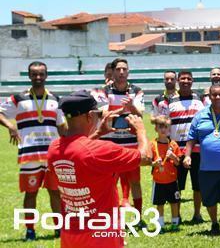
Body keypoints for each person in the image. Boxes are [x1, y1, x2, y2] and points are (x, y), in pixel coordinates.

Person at [47, 90, 152, 248]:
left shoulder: (54, 148)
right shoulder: (101, 150)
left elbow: (77, 151)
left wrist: (97, 133)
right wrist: (141, 130)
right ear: (89, 116)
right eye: (97, 114)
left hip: (70, 233)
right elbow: (145, 157)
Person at [0, 61, 66, 241]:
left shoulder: (55, 99)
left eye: (41, 74)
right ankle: (30, 231)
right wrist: (10, 126)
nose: (38, 77)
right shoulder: (18, 99)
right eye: (34, 74)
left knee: (56, 192)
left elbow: (61, 127)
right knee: (31, 193)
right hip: (29, 154)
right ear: (29, 76)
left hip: (52, 154)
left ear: (46, 75)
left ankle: (59, 229)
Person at [184, 84, 220, 236]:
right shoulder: (200, 116)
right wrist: (187, 155)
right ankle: (215, 223)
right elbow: (191, 138)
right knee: (209, 199)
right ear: (209, 97)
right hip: (207, 168)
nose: (218, 97)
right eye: (214, 95)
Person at [92, 58, 145, 217]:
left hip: (130, 142)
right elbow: (103, 113)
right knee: (109, 182)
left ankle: (139, 216)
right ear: (113, 71)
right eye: (118, 69)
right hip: (109, 143)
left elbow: (140, 114)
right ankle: (109, 217)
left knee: (135, 181)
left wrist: (132, 107)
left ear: (128, 71)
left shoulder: (137, 90)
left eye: (124, 69)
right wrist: (124, 109)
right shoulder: (101, 91)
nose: (121, 72)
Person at [161, 70, 206, 223]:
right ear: (178, 81)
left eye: (188, 78)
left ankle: (197, 214)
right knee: (177, 184)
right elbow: (166, 125)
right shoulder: (170, 100)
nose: (185, 81)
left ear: (192, 80)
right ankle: (177, 214)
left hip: (197, 149)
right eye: (183, 78)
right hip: (177, 150)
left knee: (198, 184)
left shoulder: (199, 99)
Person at [150, 115, 183, 231]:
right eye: (160, 127)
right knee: (160, 204)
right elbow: (148, 161)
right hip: (158, 181)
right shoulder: (152, 144)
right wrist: (154, 163)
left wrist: (173, 157)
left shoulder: (173, 145)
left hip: (172, 180)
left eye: (166, 127)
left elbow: (178, 163)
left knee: (174, 203)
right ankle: (161, 225)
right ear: (156, 129)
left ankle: (175, 223)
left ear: (169, 129)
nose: (163, 130)